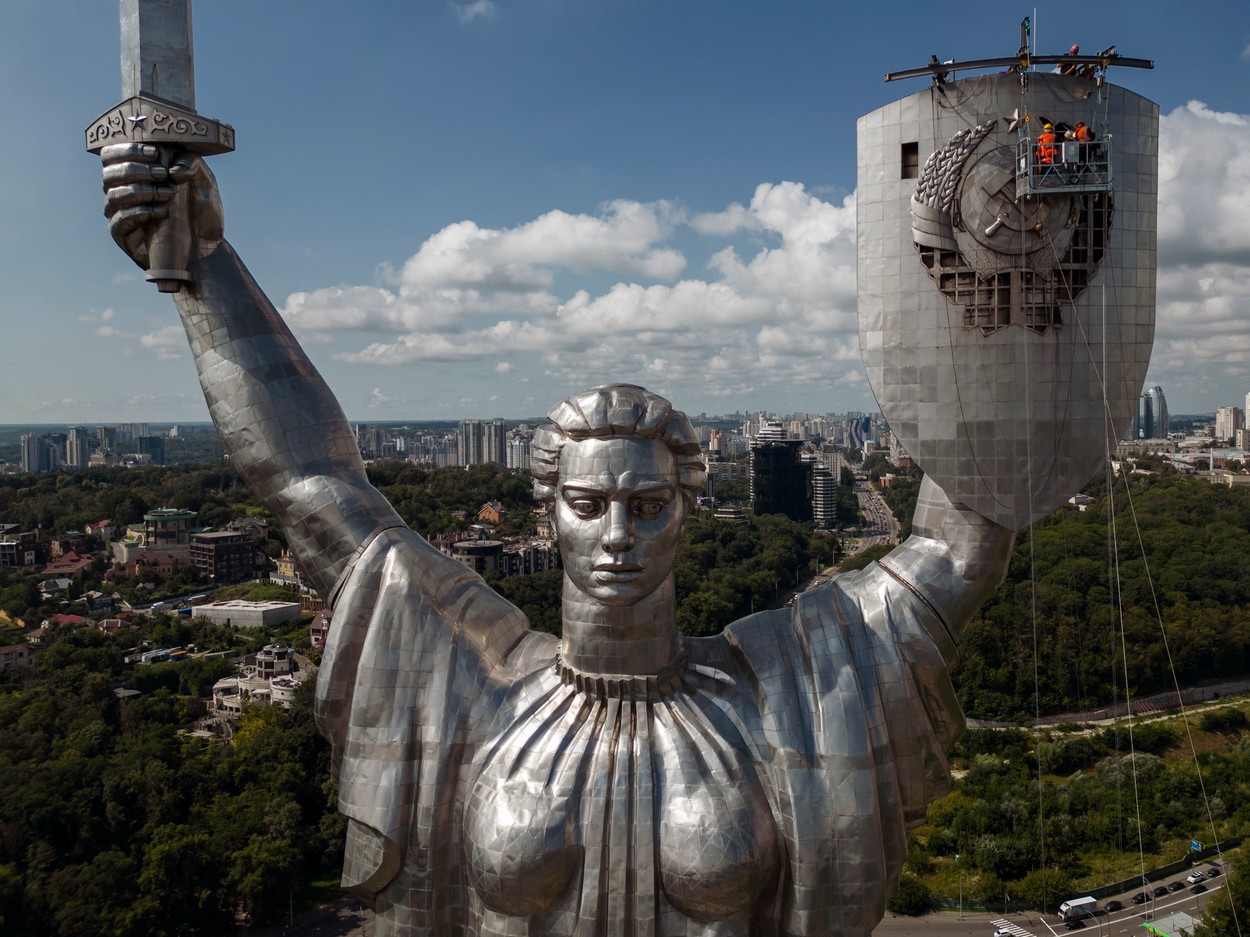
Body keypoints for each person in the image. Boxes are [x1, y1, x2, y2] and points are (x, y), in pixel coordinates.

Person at [100, 143, 1015, 937]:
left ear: (689, 508)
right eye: (589, 504)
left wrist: (1004, 276)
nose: (618, 535)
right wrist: (203, 266)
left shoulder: (784, 691)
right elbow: (310, 483)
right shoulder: (467, 681)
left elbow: (953, 552)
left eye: (649, 505)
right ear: (549, 513)